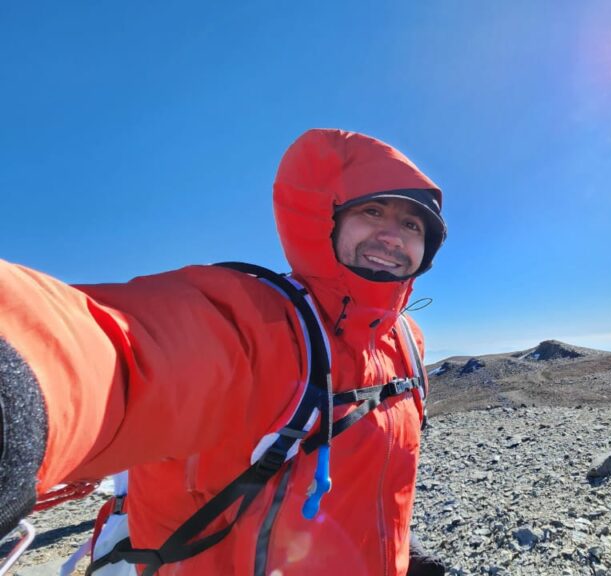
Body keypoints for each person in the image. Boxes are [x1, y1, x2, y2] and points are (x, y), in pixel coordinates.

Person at [0, 129, 447, 575]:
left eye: (412, 225)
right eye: (373, 211)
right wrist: (17, 389)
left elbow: (367, 478)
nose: (393, 237)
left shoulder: (406, 341)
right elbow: (120, 353)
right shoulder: (256, 324)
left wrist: (399, 552)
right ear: (326, 219)